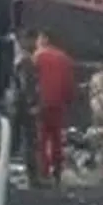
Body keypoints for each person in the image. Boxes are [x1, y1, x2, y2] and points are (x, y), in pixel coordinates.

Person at [33, 30, 75, 187]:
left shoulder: (37, 57)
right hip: (58, 104)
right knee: (57, 138)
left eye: (38, 38)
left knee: (41, 139)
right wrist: (69, 100)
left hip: (40, 104)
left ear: (45, 39)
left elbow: (32, 82)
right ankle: (57, 170)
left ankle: (43, 172)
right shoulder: (64, 58)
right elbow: (69, 84)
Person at [11, 29, 40, 186]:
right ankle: (32, 178)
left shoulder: (14, 58)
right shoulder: (25, 59)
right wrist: (32, 104)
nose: (35, 44)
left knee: (13, 142)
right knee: (29, 141)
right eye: (34, 40)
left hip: (13, 104)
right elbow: (27, 84)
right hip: (23, 106)